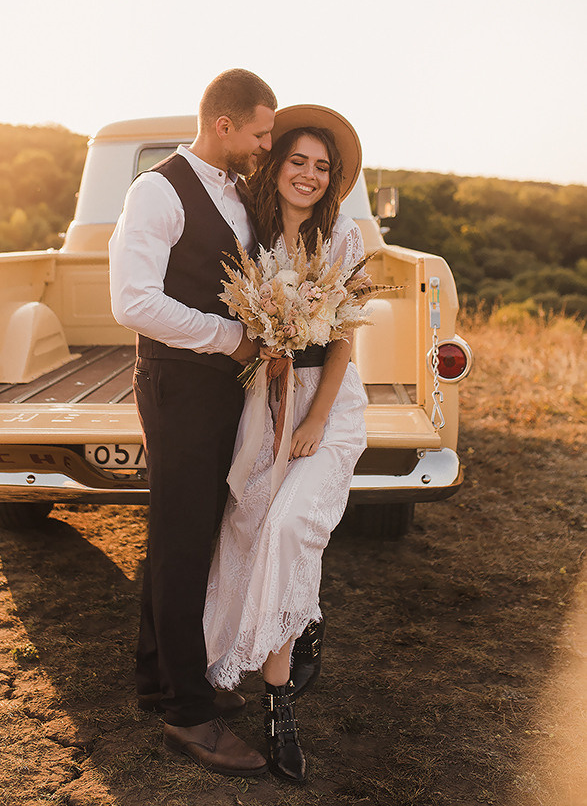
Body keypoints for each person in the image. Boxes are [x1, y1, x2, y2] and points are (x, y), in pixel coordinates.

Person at [108, 69, 277, 777]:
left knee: (187, 531)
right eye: (262, 133)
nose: (267, 145)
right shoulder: (156, 191)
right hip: (177, 384)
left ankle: (158, 676)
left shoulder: (236, 191)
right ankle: (188, 713)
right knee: (182, 541)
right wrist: (228, 337)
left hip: (217, 389)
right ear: (225, 125)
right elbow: (132, 302)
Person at [203, 105, 368, 783]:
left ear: (333, 181)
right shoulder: (248, 234)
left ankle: (279, 707)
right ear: (276, 165)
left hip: (326, 406)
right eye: (296, 160)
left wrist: (312, 422)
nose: (308, 174)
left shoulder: (344, 239)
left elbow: (343, 343)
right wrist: (269, 356)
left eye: (321, 167)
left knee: (292, 525)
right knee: (252, 525)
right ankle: (301, 618)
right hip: (262, 400)